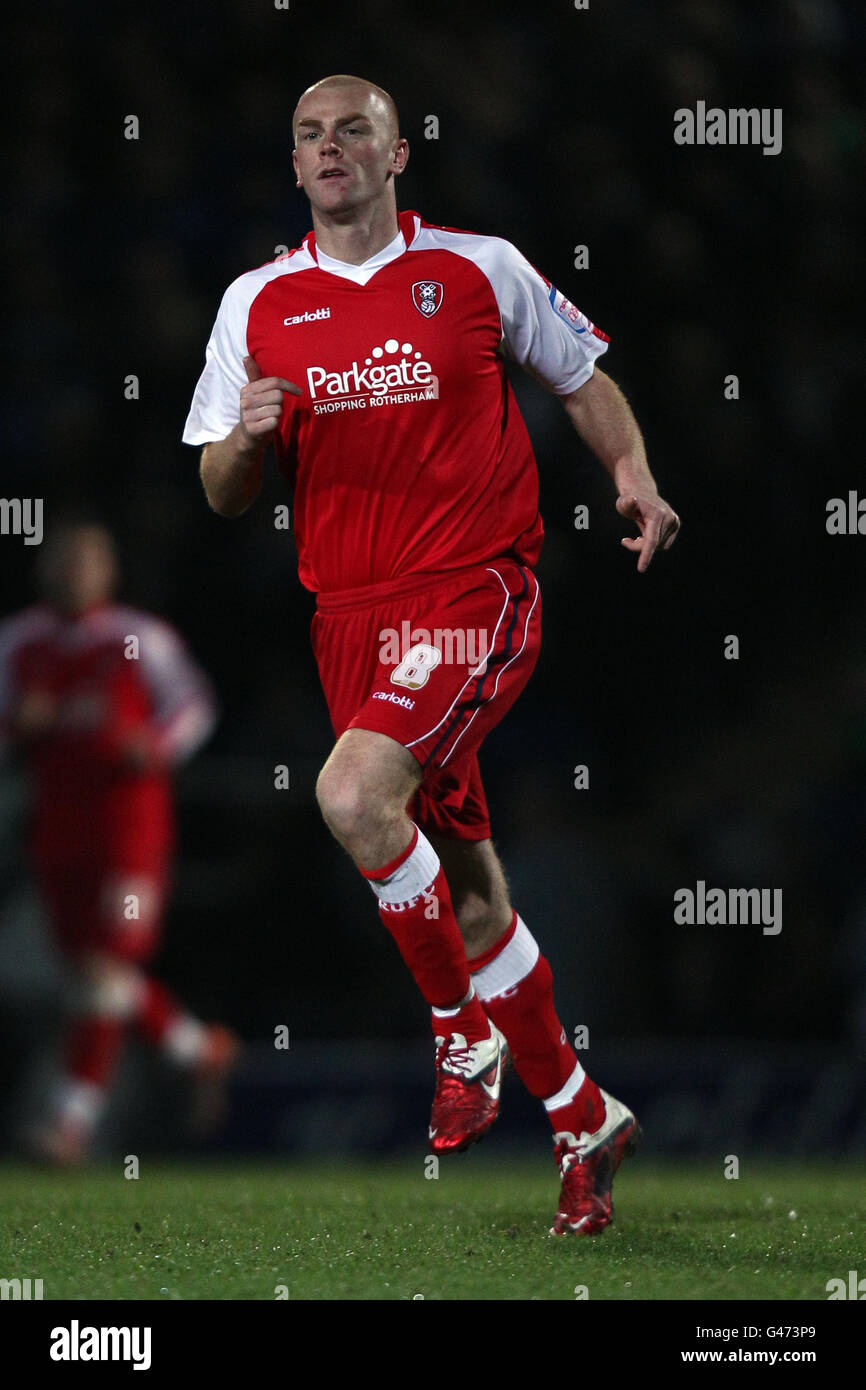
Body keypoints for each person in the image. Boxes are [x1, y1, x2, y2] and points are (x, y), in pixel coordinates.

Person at [184, 74, 680, 1234]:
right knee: (463, 894)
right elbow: (214, 487)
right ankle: (581, 1114)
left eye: (351, 129)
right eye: (307, 133)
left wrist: (632, 477)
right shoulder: (255, 301)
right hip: (346, 619)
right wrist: (246, 444)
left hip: (474, 590)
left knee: (353, 795)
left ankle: (457, 1030)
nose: (328, 148)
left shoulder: (476, 266)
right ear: (293, 160)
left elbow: (581, 377)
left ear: (398, 150)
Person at [0, 522, 237, 1163]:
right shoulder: (20, 642)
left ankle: (69, 1128)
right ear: (44, 568)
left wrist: (155, 745)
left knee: (104, 971)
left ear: (109, 572)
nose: (75, 571)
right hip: (56, 835)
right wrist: (19, 729)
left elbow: (193, 705)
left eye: (88, 560)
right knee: (94, 975)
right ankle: (201, 1051)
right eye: (64, 559)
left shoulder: (138, 637)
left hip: (130, 834)